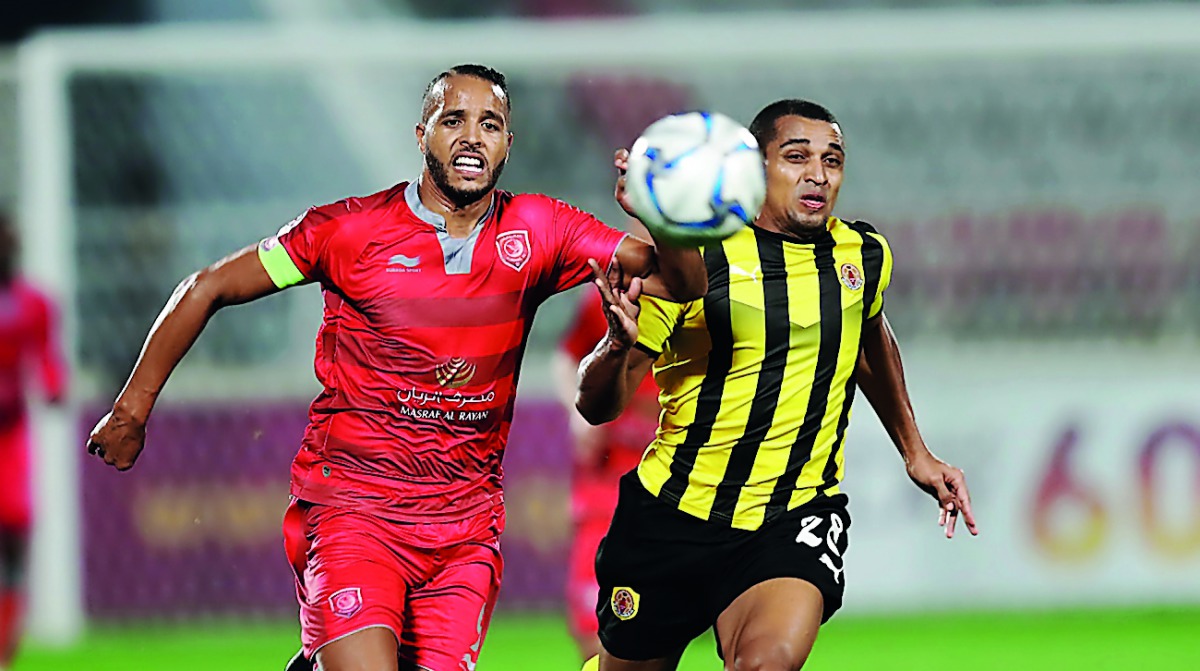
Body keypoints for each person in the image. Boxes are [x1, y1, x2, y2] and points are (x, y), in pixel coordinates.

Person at [85, 64, 707, 671]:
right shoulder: (347, 231)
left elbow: (683, 284)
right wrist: (132, 408)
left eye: (490, 123)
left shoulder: (542, 229)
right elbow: (208, 287)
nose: (472, 136)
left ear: (508, 145)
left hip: (464, 530)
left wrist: (664, 215)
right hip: (353, 509)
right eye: (453, 119)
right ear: (422, 134)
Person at [575, 99, 979, 671]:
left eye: (832, 160)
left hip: (791, 515)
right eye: (796, 157)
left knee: (768, 663)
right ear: (753, 170)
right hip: (673, 515)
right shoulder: (695, 261)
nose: (818, 173)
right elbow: (598, 405)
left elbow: (868, 336)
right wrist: (615, 347)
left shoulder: (862, 254)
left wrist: (916, 452)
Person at [553, 228, 660, 659]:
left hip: (664, 495)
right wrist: (576, 414)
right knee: (592, 635)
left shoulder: (707, 303)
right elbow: (566, 356)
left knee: (648, 640)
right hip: (603, 493)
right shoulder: (608, 301)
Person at [0, 213, 67, 671]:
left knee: (15, 529)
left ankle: (6, 636)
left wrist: (52, 383)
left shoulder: (33, 303)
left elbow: (45, 356)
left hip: (10, 434)